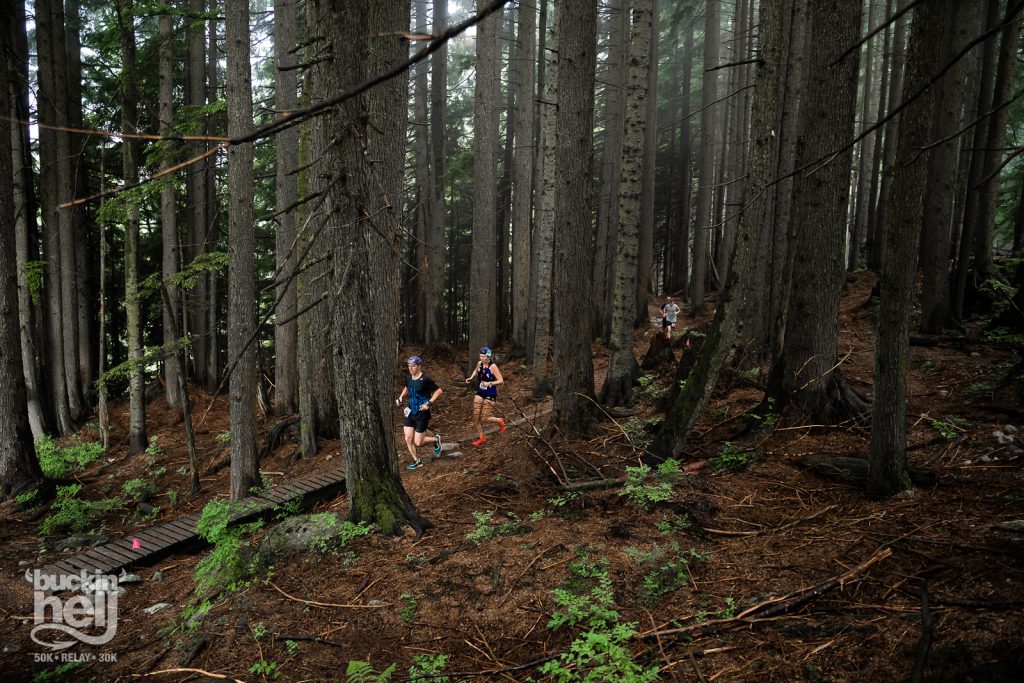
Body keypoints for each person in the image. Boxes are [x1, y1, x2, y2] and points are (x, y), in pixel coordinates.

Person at [396, 355, 443, 470]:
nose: (410, 369)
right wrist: (401, 397)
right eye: (409, 366)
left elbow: (439, 391)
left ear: (419, 366)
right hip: (410, 411)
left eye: (413, 366)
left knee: (418, 442)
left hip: (422, 413)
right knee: (408, 438)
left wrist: (429, 403)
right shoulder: (408, 378)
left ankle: (436, 439)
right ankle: (417, 461)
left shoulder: (425, 380)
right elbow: (407, 388)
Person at [464, 347, 506, 446]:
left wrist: (489, 383)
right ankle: (482, 438)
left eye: (484, 357)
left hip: (491, 393)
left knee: (484, 418)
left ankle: (499, 420)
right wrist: (471, 377)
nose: (482, 358)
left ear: (488, 356)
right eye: (481, 356)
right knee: (476, 417)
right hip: (480, 391)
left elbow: (501, 381)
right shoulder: (480, 363)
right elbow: (476, 370)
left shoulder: (493, 367)